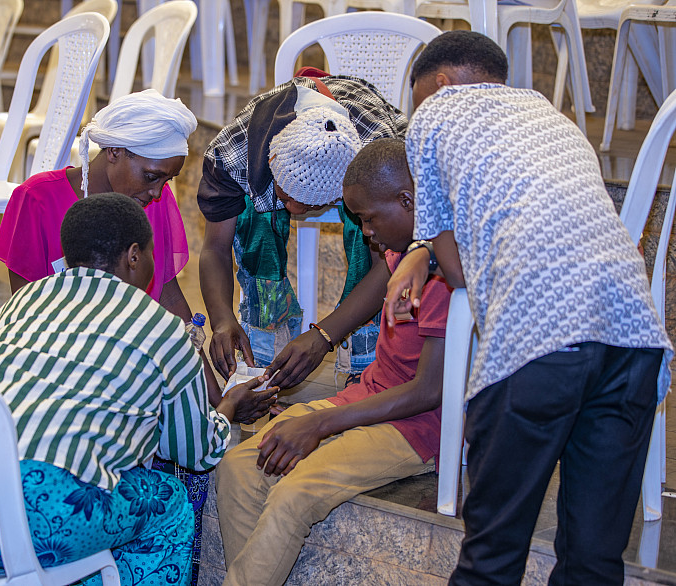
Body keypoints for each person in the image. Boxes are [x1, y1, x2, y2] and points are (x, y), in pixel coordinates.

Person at [385, 30, 674, 585]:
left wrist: (423, 250)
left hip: (538, 341)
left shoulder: (435, 113)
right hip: (635, 341)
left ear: (440, 85)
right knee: (592, 562)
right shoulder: (555, 120)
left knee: (491, 561)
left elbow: (460, 271)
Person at [0, 194, 277, 586]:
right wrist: (229, 407)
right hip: (36, 519)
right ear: (134, 255)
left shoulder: (24, 300)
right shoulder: (161, 327)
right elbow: (198, 451)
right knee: (166, 501)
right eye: (152, 252)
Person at [0, 89, 217, 584]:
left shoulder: (148, 203)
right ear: (113, 153)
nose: (159, 193)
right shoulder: (36, 199)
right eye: (153, 176)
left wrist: (206, 372)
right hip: (65, 387)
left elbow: (168, 297)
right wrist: (206, 411)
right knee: (155, 492)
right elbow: (35, 316)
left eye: (169, 180)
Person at [215, 139, 452, 586]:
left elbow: (428, 391)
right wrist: (324, 348)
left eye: (367, 219)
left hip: (419, 427)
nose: (365, 233)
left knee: (295, 493)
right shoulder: (405, 247)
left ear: (408, 200)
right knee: (239, 469)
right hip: (368, 398)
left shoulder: (442, 271)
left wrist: (322, 424)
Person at [197, 69, 408, 388]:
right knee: (253, 216)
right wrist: (221, 319)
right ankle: (264, 345)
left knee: (370, 229)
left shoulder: (379, 160)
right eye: (286, 196)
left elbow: (392, 261)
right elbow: (214, 248)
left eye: (310, 205)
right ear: (271, 159)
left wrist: (324, 335)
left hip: (366, 162)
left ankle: (366, 359)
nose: (296, 211)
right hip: (282, 157)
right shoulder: (232, 153)